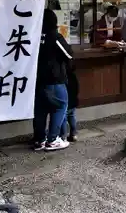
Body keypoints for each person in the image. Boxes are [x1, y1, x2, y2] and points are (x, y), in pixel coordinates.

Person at [33, 9, 72, 151]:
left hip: (38, 80)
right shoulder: (55, 37)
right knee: (60, 106)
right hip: (54, 79)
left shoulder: (34, 36)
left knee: (40, 110)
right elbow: (68, 54)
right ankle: (53, 139)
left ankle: (39, 140)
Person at [61, 60, 79, 142]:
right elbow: (77, 89)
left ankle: (63, 136)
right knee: (71, 117)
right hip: (73, 101)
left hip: (66, 101)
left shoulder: (62, 78)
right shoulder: (73, 76)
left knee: (63, 119)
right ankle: (74, 134)